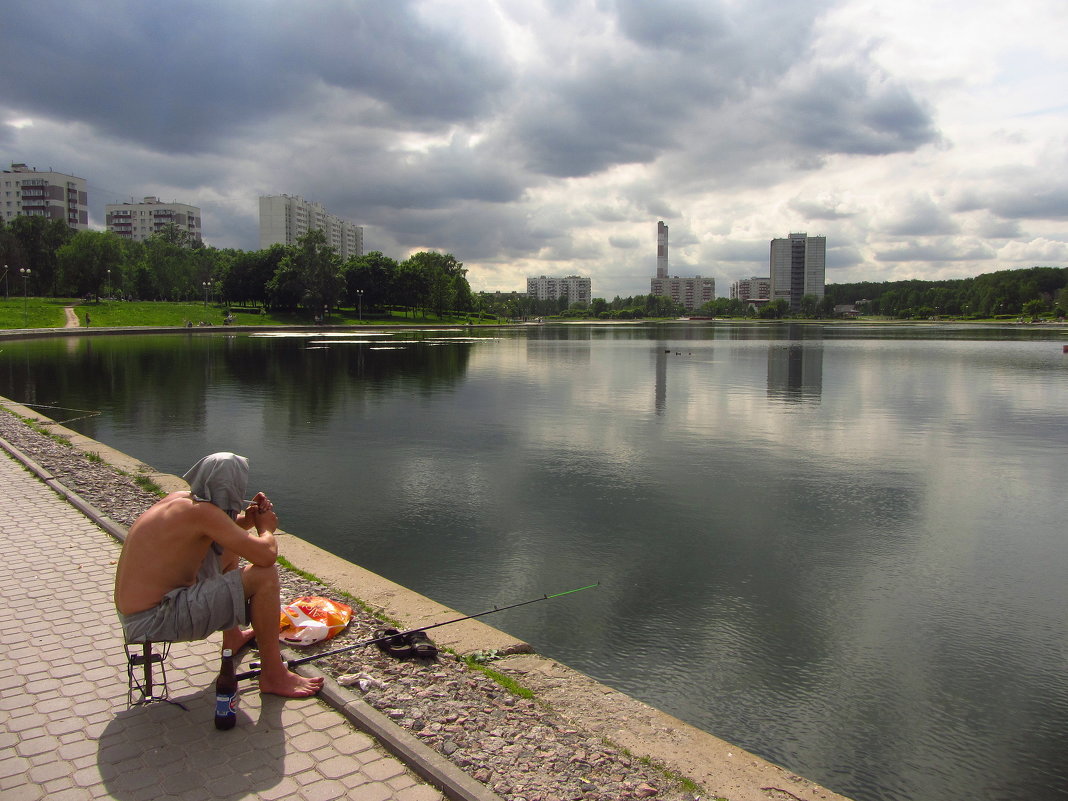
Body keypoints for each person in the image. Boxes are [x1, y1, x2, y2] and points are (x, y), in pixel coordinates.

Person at [114, 452, 323, 698]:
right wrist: (266, 530)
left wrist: (250, 519)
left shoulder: (182, 501)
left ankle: (232, 637)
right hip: (154, 619)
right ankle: (273, 674)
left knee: (227, 550)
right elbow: (266, 556)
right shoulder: (202, 514)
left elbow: (222, 530)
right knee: (265, 575)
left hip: (139, 611)